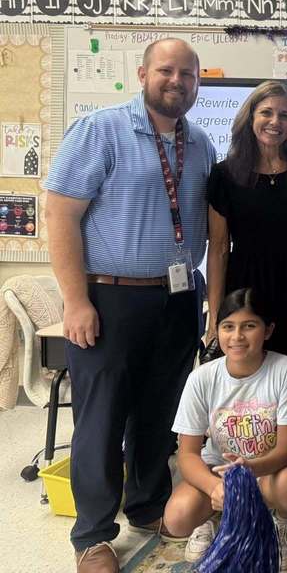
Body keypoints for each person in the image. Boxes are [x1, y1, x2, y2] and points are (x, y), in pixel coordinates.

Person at [44, 37, 216, 573]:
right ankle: (92, 535)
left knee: (158, 412)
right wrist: (75, 300)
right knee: (102, 416)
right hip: (109, 295)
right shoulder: (102, 129)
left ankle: (145, 505)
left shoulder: (202, 143)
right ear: (142, 74)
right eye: (167, 71)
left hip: (178, 297)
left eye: (188, 74)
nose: (177, 81)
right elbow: (60, 215)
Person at [163, 288, 287, 569]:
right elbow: (187, 455)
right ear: (217, 330)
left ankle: (283, 519)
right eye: (228, 327)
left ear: (268, 331)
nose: (237, 337)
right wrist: (217, 487)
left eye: (249, 326)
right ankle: (212, 517)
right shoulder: (201, 378)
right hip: (219, 471)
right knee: (177, 517)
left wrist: (248, 471)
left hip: (270, 470)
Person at [207, 80, 287, 392]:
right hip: (246, 293)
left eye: (284, 116)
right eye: (266, 113)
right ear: (250, 118)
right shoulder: (225, 175)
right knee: (246, 388)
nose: (275, 122)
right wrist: (215, 318)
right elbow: (219, 248)